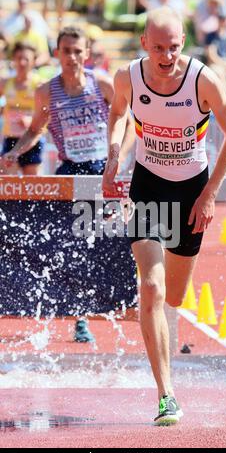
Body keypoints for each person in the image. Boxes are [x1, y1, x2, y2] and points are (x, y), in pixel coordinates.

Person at [102, 6, 226, 425]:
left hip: (192, 191)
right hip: (147, 186)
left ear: (185, 44)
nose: (166, 56)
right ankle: (166, 395)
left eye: (174, 47)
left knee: (174, 299)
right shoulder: (128, 76)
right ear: (144, 42)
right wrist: (113, 159)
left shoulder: (203, 80)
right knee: (152, 287)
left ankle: (164, 353)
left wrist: (210, 194)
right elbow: (118, 113)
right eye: (159, 47)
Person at [2, 26, 135, 341]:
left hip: (104, 171)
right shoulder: (46, 92)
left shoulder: (101, 84)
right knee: (74, 248)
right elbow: (36, 129)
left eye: (78, 51)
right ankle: (80, 318)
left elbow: (129, 122)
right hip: (70, 172)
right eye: (66, 51)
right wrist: (15, 152)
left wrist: (118, 158)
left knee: (112, 242)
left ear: (86, 54)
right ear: (57, 54)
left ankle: (132, 305)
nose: (72, 57)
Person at [0, 42, 45, 175]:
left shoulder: (40, 85)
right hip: (11, 138)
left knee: (32, 185)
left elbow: (49, 114)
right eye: (19, 58)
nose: (22, 63)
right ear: (13, 60)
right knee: (8, 185)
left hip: (32, 140)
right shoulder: (5, 83)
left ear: (33, 62)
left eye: (26, 59)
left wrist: (31, 120)